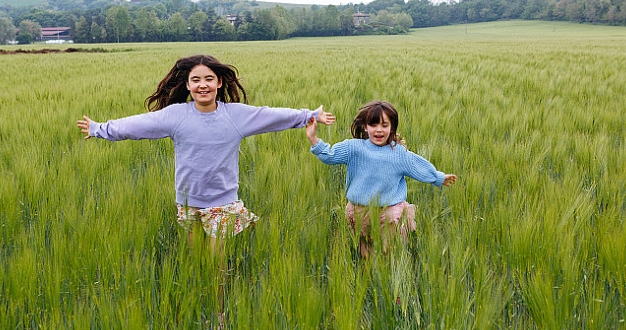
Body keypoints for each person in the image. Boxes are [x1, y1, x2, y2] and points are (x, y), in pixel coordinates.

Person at [77, 54, 335, 247]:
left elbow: (270, 116)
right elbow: (137, 125)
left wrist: (310, 115)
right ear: (187, 86)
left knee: (216, 266)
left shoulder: (236, 115)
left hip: (222, 202)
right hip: (187, 202)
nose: (203, 85)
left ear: (219, 82)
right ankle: (203, 308)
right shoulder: (176, 115)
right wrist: (100, 129)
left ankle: (219, 315)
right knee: (196, 261)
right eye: (196, 80)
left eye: (209, 79)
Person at [306, 100, 456, 258]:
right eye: (373, 124)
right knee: (365, 252)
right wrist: (313, 138)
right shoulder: (353, 148)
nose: (379, 130)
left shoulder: (399, 153)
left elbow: (418, 166)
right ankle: (369, 277)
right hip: (359, 211)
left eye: (384, 125)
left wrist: (438, 177)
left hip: (389, 213)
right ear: (365, 126)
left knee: (389, 252)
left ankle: (392, 278)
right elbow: (329, 155)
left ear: (392, 127)